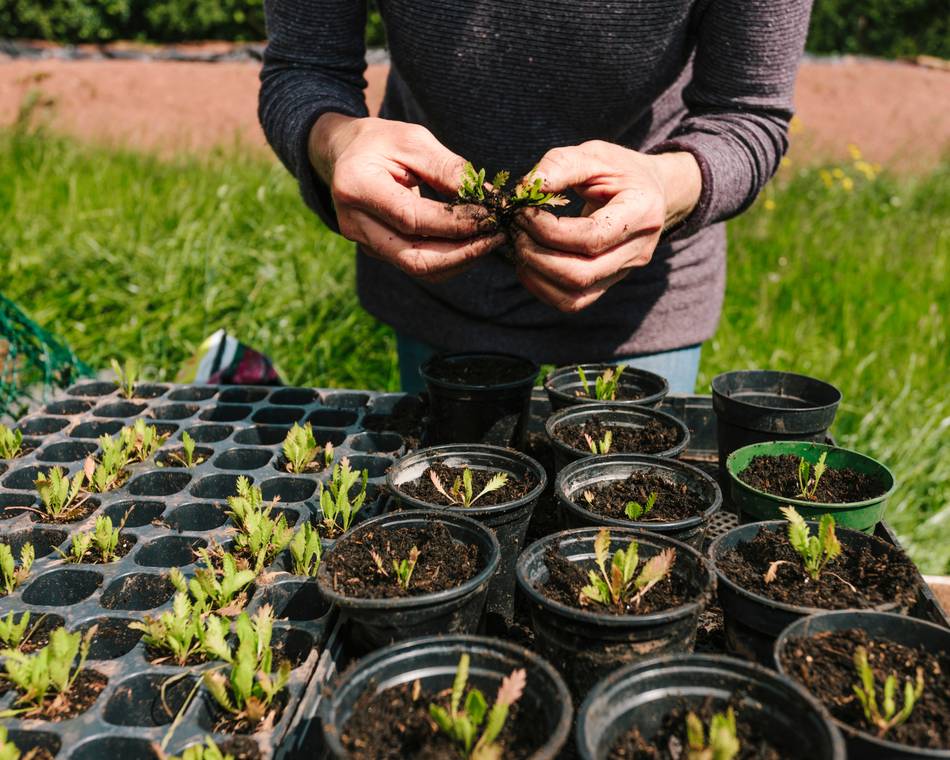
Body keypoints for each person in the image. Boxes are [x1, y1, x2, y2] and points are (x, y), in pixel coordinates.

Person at [259, 1, 813, 394]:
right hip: (437, 281)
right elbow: (304, 69)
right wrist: (336, 144)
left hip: (634, 291)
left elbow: (746, 113)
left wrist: (667, 187)